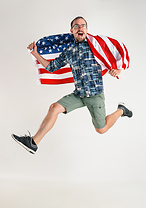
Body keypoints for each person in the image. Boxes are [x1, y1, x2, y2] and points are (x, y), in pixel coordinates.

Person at [11, 16, 133, 154]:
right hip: (79, 94)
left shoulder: (96, 46)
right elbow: (51, 67)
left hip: (95, 95)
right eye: (76, 26)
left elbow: (117, 52)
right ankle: (33, 143)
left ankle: (121, 110)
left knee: (101, 129)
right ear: (72, 30)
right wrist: (35, 53)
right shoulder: (69, 51)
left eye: (83, 25)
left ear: (86, 29)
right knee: (54, 108)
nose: (80, 28)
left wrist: (118, 69)